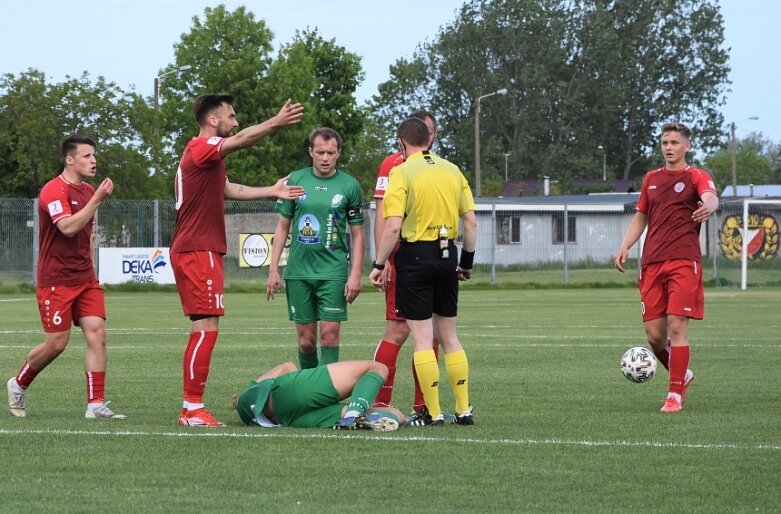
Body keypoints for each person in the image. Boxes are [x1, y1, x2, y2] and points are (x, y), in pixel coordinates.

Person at [172, 94, 305, 428]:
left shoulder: (206, 159)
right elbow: (242, 140)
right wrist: (275, 122)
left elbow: (229, 190)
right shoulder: (201, 148)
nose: (236, 122)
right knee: (207, 328)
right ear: (213, 121)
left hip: (201, 250)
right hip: (196, 250)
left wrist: (271, 191)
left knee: (204, 328)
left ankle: (192, 407)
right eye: (230, 116)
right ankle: (191, 409)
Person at [7, 134, 125, 419]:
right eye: (86, 156)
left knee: (97, 334)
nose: (93, 160)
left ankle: (95, 404)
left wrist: (92, 268)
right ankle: (18, 384)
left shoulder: (87, 191)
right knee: (56, 344)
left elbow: (87, 234)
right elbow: (68, 228)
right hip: (55, 281)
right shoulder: (53, 191)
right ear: (69, 159)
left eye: (94, 155)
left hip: (85, 279)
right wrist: (97, 199)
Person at [369, 117, 477, 426]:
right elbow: (471, 222)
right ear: (429, 140)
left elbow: (392, 226)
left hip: (415, 256)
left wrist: (379, 263)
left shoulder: (400, 172)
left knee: (420, 339)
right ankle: (463, 410)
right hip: (447, 254)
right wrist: (466, 262)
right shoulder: (453, 170)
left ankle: (432, 413)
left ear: (401, 144)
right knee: (449, 337)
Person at [614, 122, 718, 413]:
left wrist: (709, 206)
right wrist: (626, 245)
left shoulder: (696, 175)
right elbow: (641, 217)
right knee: (655, 337)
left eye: (674, 142)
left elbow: (711, 196)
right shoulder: (651, 179)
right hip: (651, 263)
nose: (669, 147)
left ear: (688, 145)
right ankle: (682, 373)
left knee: (676, 326)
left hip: (684, 261)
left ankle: (675, 394)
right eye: (665, 143)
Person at [266, 128, 365, 369]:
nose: (325, 158)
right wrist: (273, 270)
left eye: (331, 152)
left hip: (333, 272)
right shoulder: (295, 180)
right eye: (320, 152)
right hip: (299, 272)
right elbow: (282, 228)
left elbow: (358, 234)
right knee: (306, 343)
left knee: (329, 336)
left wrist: (355, 275)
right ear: (311, 151)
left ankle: (326, 396)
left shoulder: (349, 186)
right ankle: (309, 394)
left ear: (338, 153)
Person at [371, 110, 440, 415]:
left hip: (433, 258)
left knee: (430, 334)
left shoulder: (440, 167)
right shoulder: (392, 164)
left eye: (431, 131)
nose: (427, 136)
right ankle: (378, 403)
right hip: (400, 258)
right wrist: (381, 259)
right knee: (398, 331)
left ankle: (424, 406)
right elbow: (383, 215)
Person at [232, 360, 405, 431]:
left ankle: (355, 414)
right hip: (288, 395)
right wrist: (311, 383)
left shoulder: (245, 403)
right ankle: (353, 415)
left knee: (396, 415)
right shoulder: (252, 389)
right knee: (378, 368)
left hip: (286, 420)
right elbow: (287, 367)